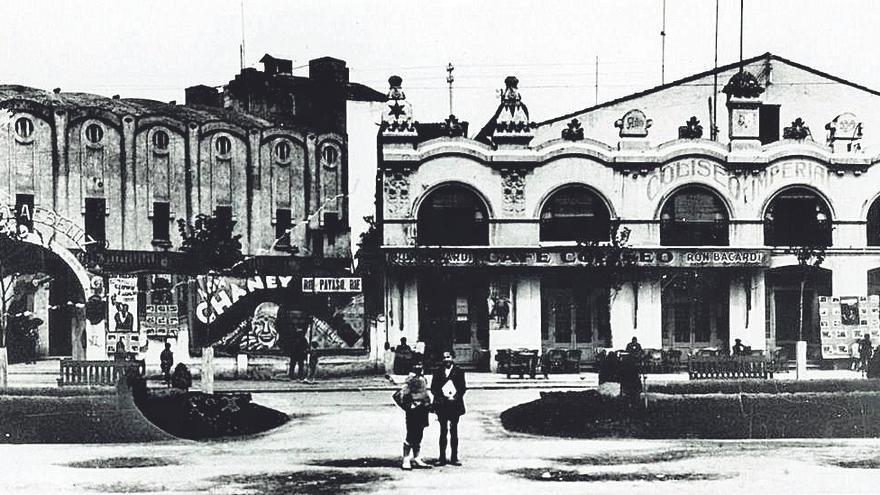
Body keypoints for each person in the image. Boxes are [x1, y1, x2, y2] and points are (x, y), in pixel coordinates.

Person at [430, 351, 467, 466]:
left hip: (454, 405)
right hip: (442, 405)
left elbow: (462, 388)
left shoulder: (459, 371)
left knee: (454, 431)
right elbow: (433, 388)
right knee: (443, 431)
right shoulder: (437, 371)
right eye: (444, 358)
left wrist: (455, 396)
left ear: (453, 358)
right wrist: (442, 396)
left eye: (448, 357)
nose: (446, 360)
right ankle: (442, 458)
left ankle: (454, 457)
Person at [395, 361, 432, 470]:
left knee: (419, 433)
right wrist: (410, 405)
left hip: (423, 409)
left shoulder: (423, 379)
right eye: (416, 365)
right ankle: (406, 459)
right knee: (411, 433)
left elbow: (425, 393)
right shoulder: (410, 380)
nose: (419, 367)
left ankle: (416, 457)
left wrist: (429, 404)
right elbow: (403, 395)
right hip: (413, 410)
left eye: (420, 364)